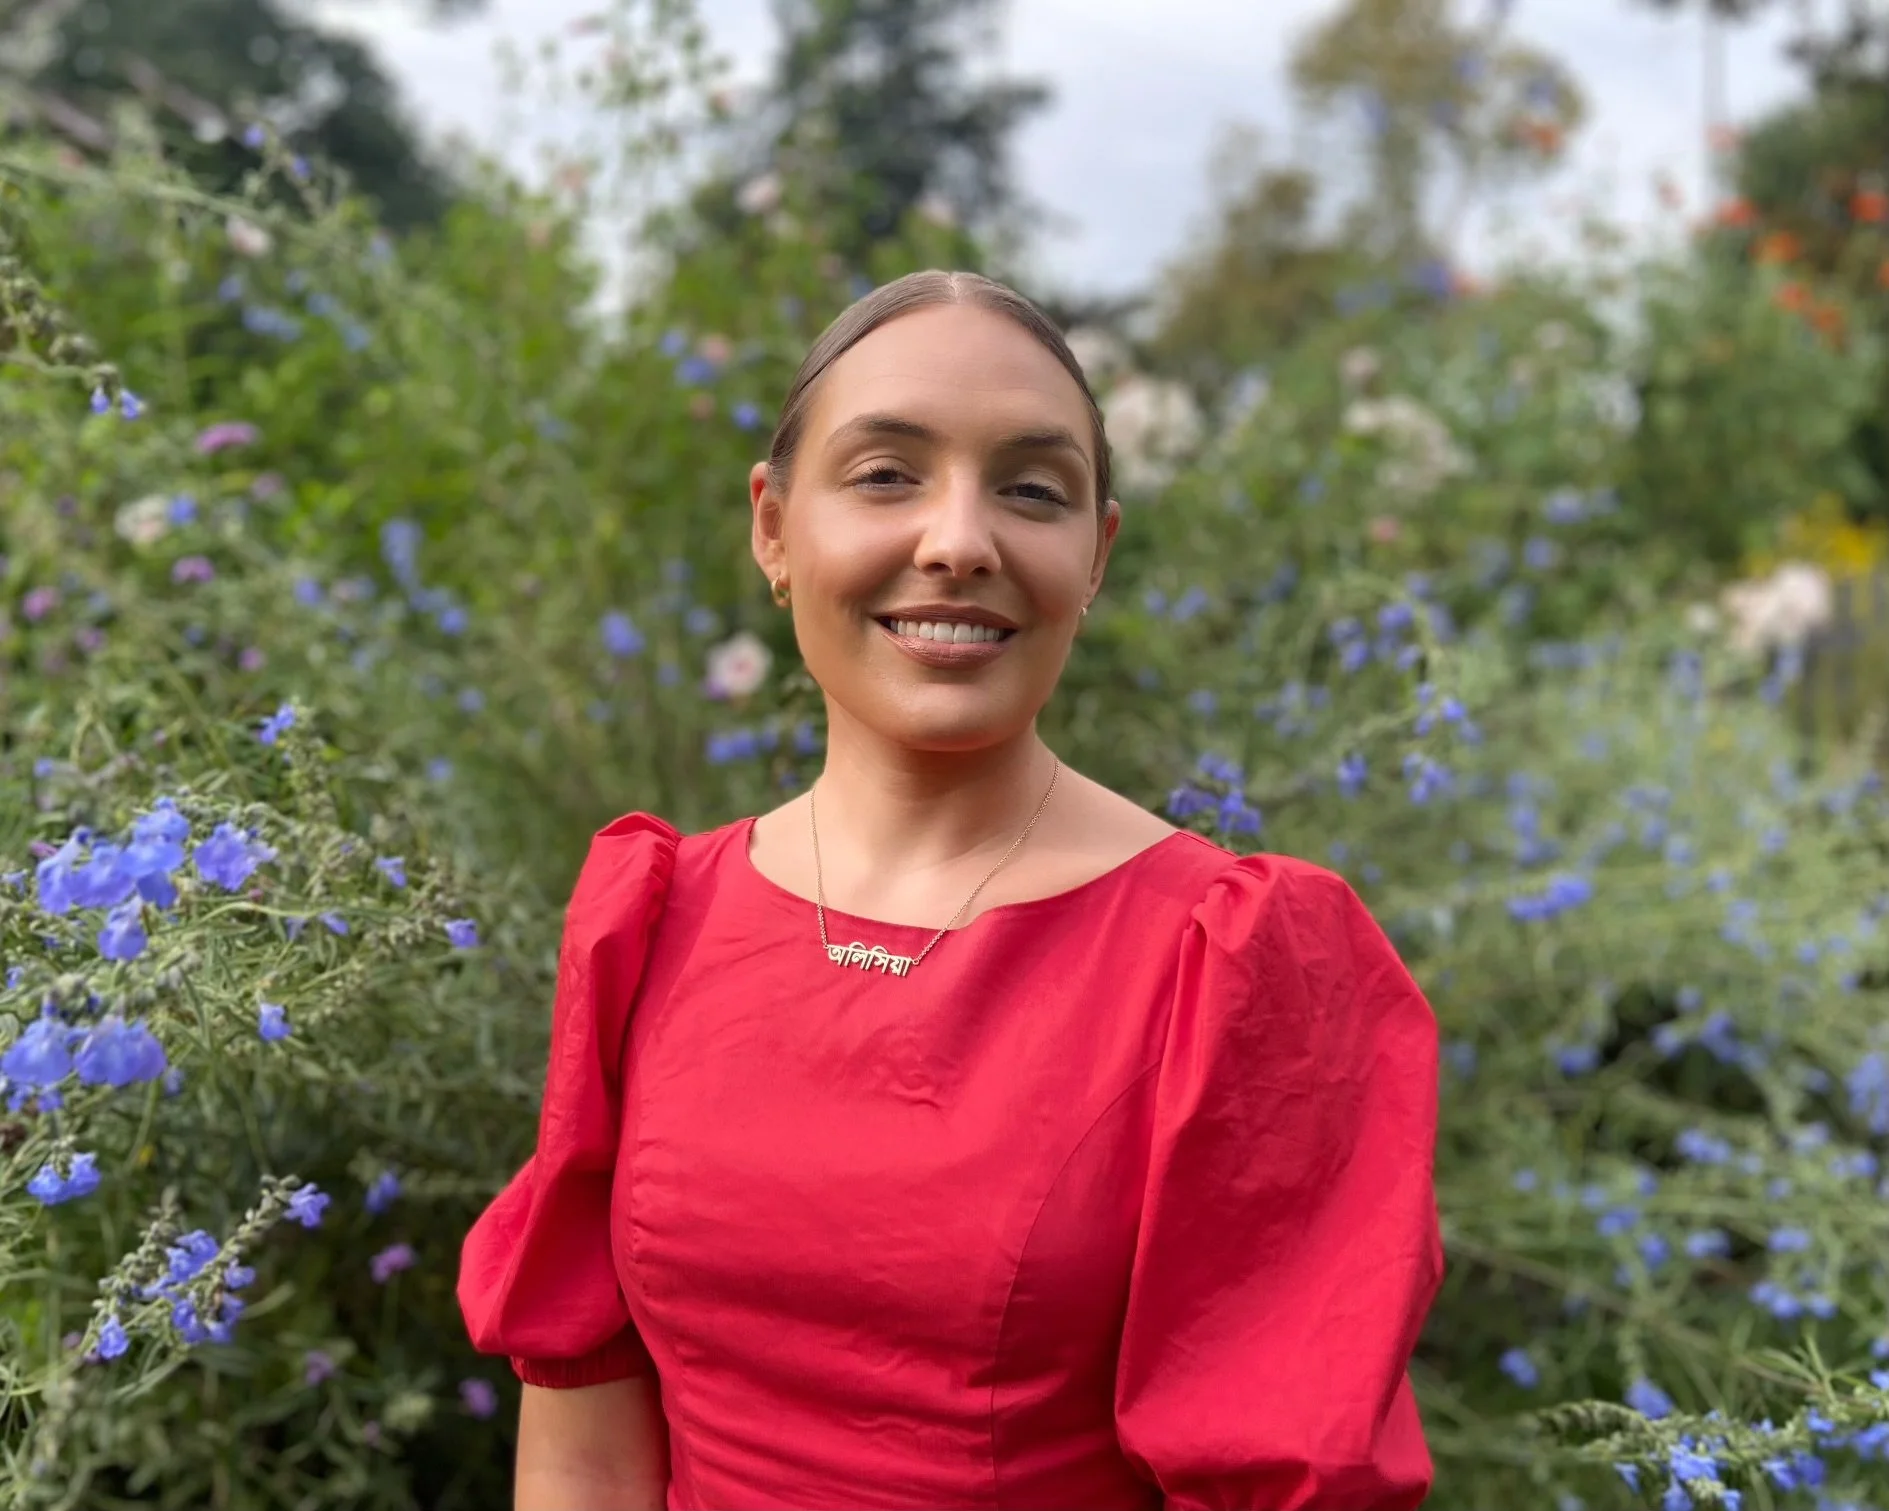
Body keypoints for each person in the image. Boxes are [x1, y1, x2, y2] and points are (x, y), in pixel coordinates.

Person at [457, 269, 1444, 1511]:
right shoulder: (652, 918)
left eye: (1032, 490)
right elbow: (584, 1430)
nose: (958, 541)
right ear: (771, 525)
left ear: (1097, 553)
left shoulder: (1234, 960)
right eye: (885, 474)